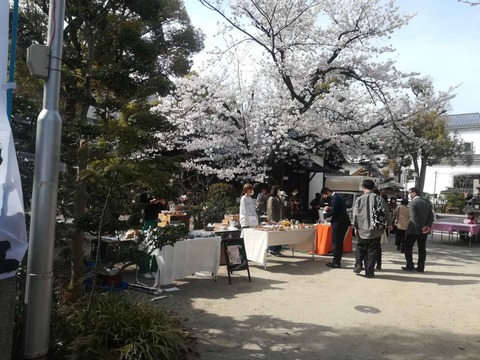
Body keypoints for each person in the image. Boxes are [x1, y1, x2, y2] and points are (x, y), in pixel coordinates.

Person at [352, 180, 391, 278]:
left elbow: (355, 215)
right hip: (376, 230)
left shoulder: (359, 199)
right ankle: (369, 272)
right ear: (373, 187)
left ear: (363, 187)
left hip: (362, 228)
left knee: (360, 247)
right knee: (372, 250)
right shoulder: (379, 199)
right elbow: (386, 212)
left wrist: (355, 226)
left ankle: (358, 264)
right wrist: (388, 224)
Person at [402, 187, 434, 273]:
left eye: (410, 193)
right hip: (424, 230)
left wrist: (421, 226)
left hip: (413, 229)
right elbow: (431, 217)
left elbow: (413, 217)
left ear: (414, 193)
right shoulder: (427, 203)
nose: (409, 195)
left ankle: (410, 265)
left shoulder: (412, 203)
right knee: (422, 248)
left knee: (408, 247)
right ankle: (421, 267)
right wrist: (427, 226)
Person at [321, 187, 351, 268]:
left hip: (338, 223)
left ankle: (336, 262)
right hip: (343, 223)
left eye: (325, 195)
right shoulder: (338, 197)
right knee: (339, 243)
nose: (326, 198)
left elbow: (334, 211)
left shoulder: (335, 198)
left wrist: (325, 214)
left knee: (336, 243)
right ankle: (337, 260)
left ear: (328, 192)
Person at [266, 186, 285, 256]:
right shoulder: (271, 198)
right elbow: (271, 210)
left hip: (280, 220)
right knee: (274, 235)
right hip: (274, 220)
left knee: (280, 235)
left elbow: (282, 208)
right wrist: (272, 220)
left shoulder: (279, 199)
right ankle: (272, 250)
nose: (279, 191)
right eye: (278, 190)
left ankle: (277, 250)